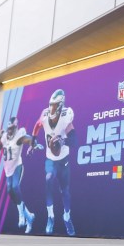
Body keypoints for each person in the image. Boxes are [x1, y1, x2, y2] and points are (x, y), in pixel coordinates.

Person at [32, 89, 77, 236]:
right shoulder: (45, 115)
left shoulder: (66, 116)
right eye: (50, 105)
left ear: (60, 106)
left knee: (65, 191)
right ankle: (51, 216)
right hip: (50, 158)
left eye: (54, 105)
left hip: (63, 159)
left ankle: (67, 217)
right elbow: (38, 125)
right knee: (48, 179)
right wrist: (33, 140)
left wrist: (63, 141)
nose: (51, 108)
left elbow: (75, 140)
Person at [0, 116, 42, 234]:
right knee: (9, 191)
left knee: (15, 187)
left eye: (13, 128)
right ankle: (29, 216)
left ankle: (22, 215)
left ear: (16, 128)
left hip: (17, 166)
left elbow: (28, 139)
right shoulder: (3, 138)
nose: (11, 130)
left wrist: (34, 144)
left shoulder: (19, 136)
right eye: (9, 128)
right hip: (8, 170)